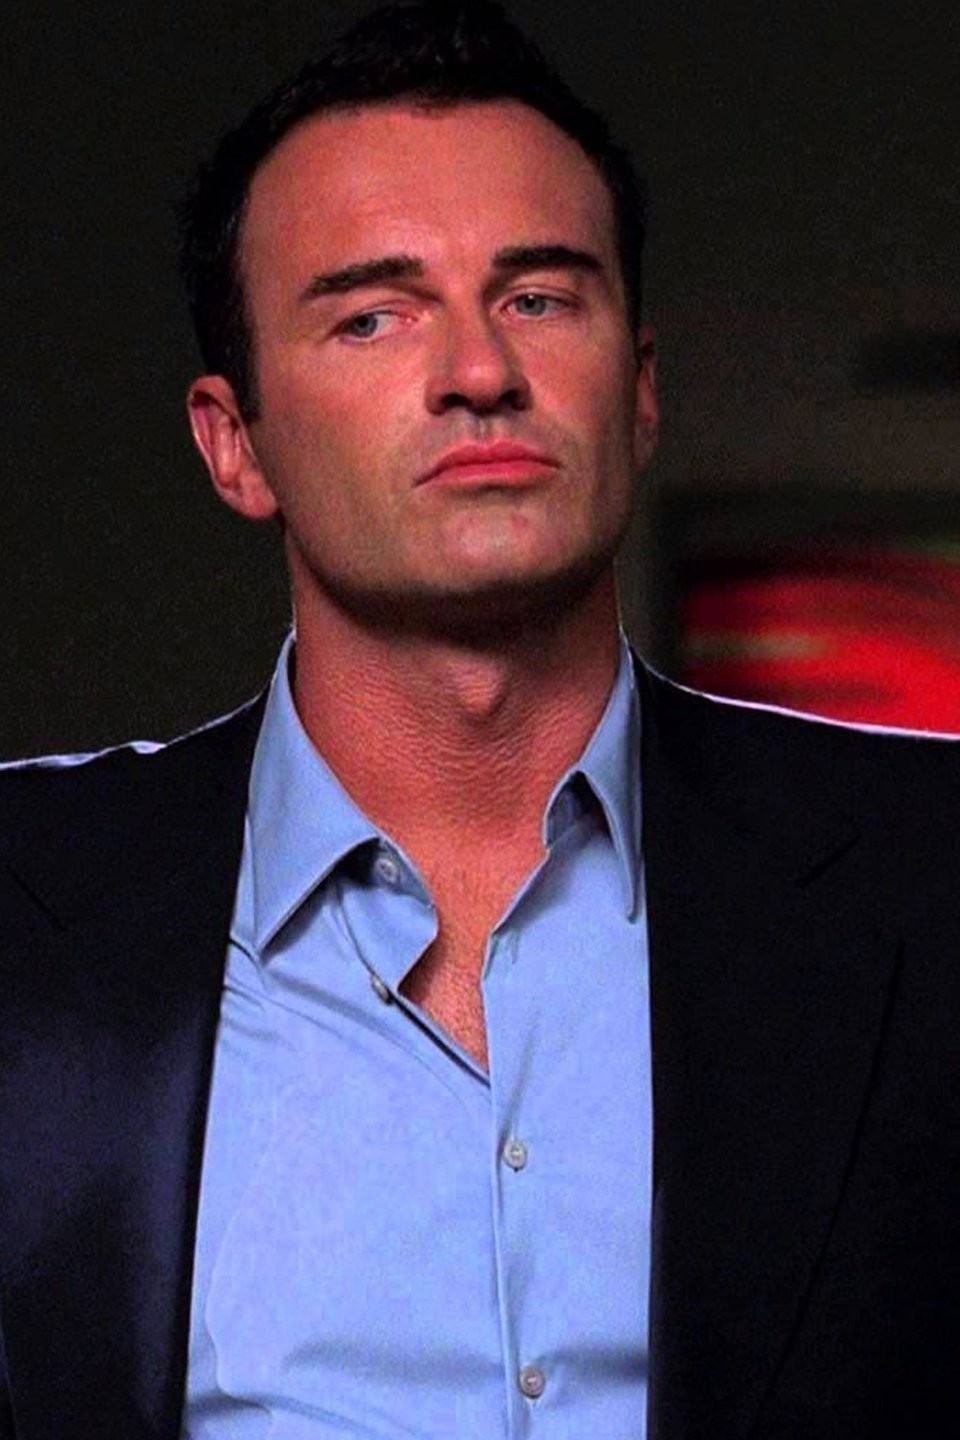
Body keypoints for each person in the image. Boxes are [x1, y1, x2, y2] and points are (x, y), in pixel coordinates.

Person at [2, 2, 960, 1436]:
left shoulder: (930, 873)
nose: (478, 372)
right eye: (373, 314)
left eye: (541, 298)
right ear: (234, 442)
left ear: (641, 393)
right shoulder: (25, 909)